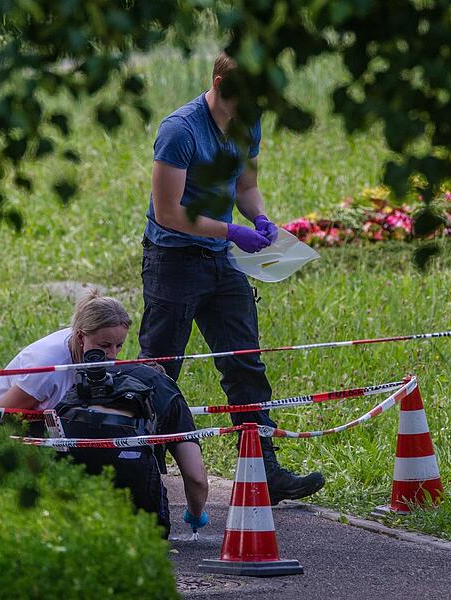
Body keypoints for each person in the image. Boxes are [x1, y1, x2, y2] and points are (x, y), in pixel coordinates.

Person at [139, 52, 325, 504]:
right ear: (220, 84)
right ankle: (148, 478)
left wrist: (259, 219)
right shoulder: (180, 130)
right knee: (161, 368)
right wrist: (231, 230)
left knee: (245, 362)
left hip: (222, 260)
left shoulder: (248, 123)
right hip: (173, 259)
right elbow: (168, 213)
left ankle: (263, 472)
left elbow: (245, 186)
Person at [0, 289, 208, 537]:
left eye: (119, 346)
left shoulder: (92, 356)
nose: (112, 355)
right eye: (104, 346)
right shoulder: (48, 365)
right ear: (80, 337)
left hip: (52, 425)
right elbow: (0, 416)